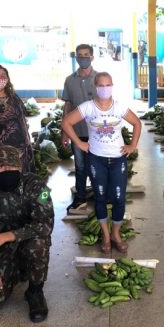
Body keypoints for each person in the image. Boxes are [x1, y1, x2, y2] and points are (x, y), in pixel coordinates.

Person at [0, 145, 54, 322]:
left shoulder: (39, 187)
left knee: (39, 244)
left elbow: (45, 225)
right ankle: (15, 270)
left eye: (12, 166)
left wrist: (6, 236)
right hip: (0, 247)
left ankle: (35, 291)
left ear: (20, 167)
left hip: (27, 240)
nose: (7, 170)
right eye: (1, 166)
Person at [61, 72, 141, 253]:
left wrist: (132, 145)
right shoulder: (88, 107)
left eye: (108, 85)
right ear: (95, 87)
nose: (105, 89)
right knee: (100, 197)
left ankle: (116, 234)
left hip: (118, 159)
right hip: (97, 159)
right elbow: (66, 122)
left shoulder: (119, 107)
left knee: (119, 198)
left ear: (112, 86)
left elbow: (137, 123)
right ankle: (105, 235)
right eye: (101, 85)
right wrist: (79, 143)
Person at [61, 44, 98, 214]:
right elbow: (67, 106)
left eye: (86, 55)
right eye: (80, 55)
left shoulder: (99, 79)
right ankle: (80, 198)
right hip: (76, 132)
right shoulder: (70, 80)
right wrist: (64, 132)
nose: (83, 58)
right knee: (80, 167)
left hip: (97, 133)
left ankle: (101, 197)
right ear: (76, 58)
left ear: (92, 57)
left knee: (97, 167)